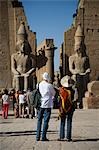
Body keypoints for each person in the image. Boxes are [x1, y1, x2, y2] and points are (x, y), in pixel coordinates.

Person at [69, 24, 90, 108]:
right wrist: (75, 72)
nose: (78, 48)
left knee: (85, 87)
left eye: (80, 46)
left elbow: (88, 67)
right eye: (77, 46)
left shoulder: (86, 58)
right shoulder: (72, 58)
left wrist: (88, 70)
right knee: (76, 87)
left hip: (84, 74)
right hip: (76, 74)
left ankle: (82, 101)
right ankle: (76, 101)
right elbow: (71, 69)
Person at [11, 22, 36, 91]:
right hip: (18, 73)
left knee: (27, 77)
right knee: (17, 77)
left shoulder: (30, 56)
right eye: (21, 45)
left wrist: (28, 72)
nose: (23, 47)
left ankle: (25, 92)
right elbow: (13, 68)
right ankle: (18, 93)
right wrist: (17, 72)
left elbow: (33, 67)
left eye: (24, 45)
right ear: (18, 45)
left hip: (27, 73)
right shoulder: (14, 56)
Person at [36, 72, 56, 141]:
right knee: (45, 121)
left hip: (40, 104)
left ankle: (37, 136)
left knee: (39, 120)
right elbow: (54, 93)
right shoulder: (49, 85)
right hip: (47, 104)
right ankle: (43, 137)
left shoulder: (39, 84)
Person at [58, 75, 76, 142]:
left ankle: (61, 136)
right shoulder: (73, 91)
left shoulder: (62, 91)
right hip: (71, 108)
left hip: (63, 108)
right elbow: (75, 99)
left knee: (62, 122)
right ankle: (68, 137)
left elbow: (60, 101)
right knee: (69, 122)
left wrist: (60, 109)